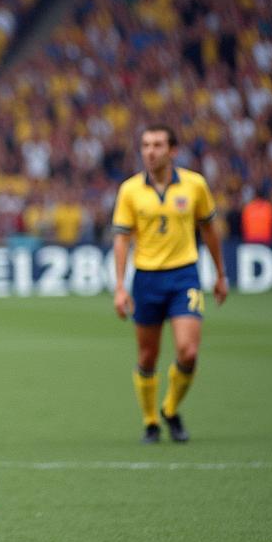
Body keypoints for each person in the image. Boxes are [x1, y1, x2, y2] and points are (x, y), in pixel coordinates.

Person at [112, 125, 228, 444]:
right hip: (146, 278)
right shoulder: (130, 190)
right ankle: (150, 421)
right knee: (148, 357)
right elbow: (121, 240)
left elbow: (209, 230)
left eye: (158, 145)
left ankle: (171, 409)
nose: (150, 151)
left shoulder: (195, 185)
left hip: (184, 275)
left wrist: (220, 275)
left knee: (188, 352)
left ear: (172, 150)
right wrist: (120, 286)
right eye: (146, 145)